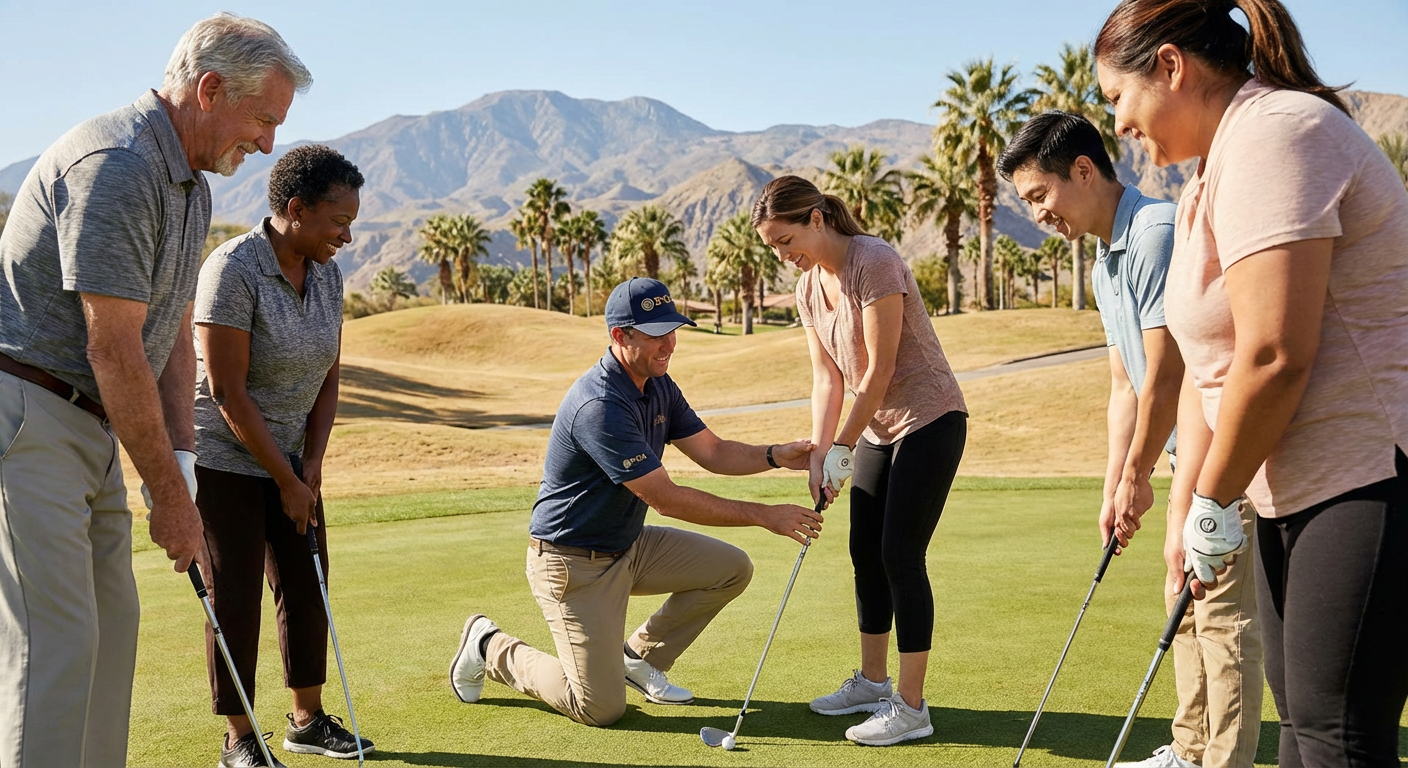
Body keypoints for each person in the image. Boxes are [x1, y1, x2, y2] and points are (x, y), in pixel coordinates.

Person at [1096, 0, 1408, 765]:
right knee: (1302, 728)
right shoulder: (1210, 177)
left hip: (1370, 473)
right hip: (1292, 489)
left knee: (1338, 736)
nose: (1120, 125)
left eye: (1118, 98)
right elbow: (1213, 372)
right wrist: (1187, 511)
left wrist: (1213, 500)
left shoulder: (1277, 133)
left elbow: (1273, 354)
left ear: (1170, 66)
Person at [0, 14, 309, 766]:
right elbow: (112, 348)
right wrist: (168, 499)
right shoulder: (117, 165)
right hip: (31, 414)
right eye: (263, 119)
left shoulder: (189, 186)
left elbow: (166, 335)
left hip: (95, 424)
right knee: (59, 640)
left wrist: (183, 465)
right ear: (209, 89)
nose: (268, 142)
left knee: (112, 628)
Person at [999, 111, 1262, 768]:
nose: (1037, 215)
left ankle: (1220, 760)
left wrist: (1142, 481)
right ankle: (1189, 748)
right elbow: (1125, 382)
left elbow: (1168, 378)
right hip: (1181, 452)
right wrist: (1117, 481)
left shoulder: (1155, 235)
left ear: (1083, 171)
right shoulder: (1102, 257)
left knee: (1220, 613)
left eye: (1039, 196)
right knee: (1183, 595)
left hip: (1228, 450)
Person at [449, 277, 823, 727]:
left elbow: (713, 451)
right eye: (655, 334)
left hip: (629, 545)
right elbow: (666, 498)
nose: (669, 343)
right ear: (619, 336)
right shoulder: (600, 405)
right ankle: (489, 645)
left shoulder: (658, 383)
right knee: (599, 707)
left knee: (731, 569)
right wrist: (766, 516)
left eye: (672, 330)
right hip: (572, 564)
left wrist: (775, 456)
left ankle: (639, 659)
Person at [751, 175, 967, 747]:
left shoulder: (873, 260)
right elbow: (828, 379)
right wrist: (821, 455)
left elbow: (879, 372)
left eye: (785, 240)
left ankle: (912, 709)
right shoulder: (806, 289)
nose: (782, 254)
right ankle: (873, 682)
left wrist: (843, 447)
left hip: (931, 420)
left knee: (901, 554)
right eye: (772, 246)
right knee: (863, 553)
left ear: (816, 219)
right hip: (877, 430)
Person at [193, 145, 371, 767]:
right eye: (337, 221)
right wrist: (283, 478)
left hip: (294, 457)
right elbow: (226, 392)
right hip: (225, 460)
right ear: (294, 210)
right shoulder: (233, 271)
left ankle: (307, 720)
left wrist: (312, 463)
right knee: (234, 594)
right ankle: (239, 739)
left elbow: (329, 372)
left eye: (352, 222)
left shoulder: (327, 273)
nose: (346, 236)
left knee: (306, 584)